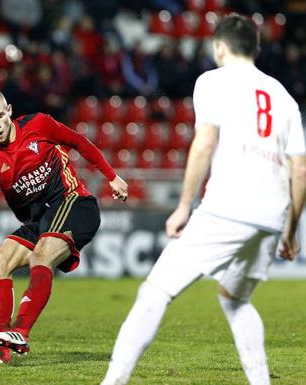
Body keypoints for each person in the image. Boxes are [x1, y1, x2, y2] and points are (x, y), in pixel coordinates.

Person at [100, 15, 306, 385]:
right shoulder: (284, 96)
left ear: (219, 47)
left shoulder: (212, 80)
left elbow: (205, 142)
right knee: (234, 299)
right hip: (271, 216)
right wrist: (290, 231)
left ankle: (111, 382)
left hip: (229, 207)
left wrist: (183, 205)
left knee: (154, 292)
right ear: (256, 49)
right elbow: (301, 170)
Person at [0, 89, 128, 365]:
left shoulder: (39, 125)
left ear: (9, 110)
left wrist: (112, 177)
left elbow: (80, 142)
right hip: (41, 221)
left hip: (75, 204)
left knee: (42, 254)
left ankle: (20, 330)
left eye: (1, 116)